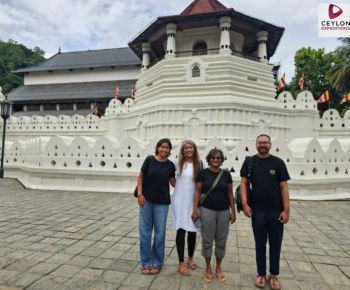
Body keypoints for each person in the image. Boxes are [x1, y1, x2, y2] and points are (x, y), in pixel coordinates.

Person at [240, 134, 290, 290]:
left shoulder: (278, 163)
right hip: (258, 211)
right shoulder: (250, 162)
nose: (262, 144)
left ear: (270, 144)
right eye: (260, 142)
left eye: (265, 142)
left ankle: (273, 275)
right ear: (256, 145)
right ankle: (261, 274)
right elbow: (243, 184)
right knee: (260, 244)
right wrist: (245, 204)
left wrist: (286, 210)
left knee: (276, 244)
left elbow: (284, 187)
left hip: (276, 211)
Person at [191, 148, 236, 283]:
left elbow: (230, 193)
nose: (216, 160)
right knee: (207, 239)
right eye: (213, 157)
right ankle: (208, 267)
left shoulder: (226, 174)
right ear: (209, 159)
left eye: (218, 158)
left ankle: (218, 267)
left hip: (223, 210)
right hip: (207, 210)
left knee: (221, 239)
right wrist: (195, 209)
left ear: (222, 160)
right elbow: (198, 192)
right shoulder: (203, 174)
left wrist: (233, 211)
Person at [137, 138, 176, 275]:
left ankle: (157, 261)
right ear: (158, 148)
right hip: (146, 201)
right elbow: (140, 177)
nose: (164, 150)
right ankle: (146, 261)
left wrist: (190, 174)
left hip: (162, 203)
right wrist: (140, 194)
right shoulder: (149, 160)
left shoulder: (171, 165)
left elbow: (174, 183)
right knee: (145, 233)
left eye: (167, 148)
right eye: (162, 147)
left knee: (160, 234)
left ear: (169, 150)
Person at [172, 140, 202, 276]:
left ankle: (190, 258)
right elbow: (172, 181)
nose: (188, 150)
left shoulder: (200, 164)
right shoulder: (177, 164)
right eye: (186, 148)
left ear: (194, 149)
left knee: (192, 231)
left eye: (191, 148)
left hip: (194, 202)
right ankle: (180, 262)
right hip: (180, 200)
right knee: (181, 230)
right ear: (182, 151)